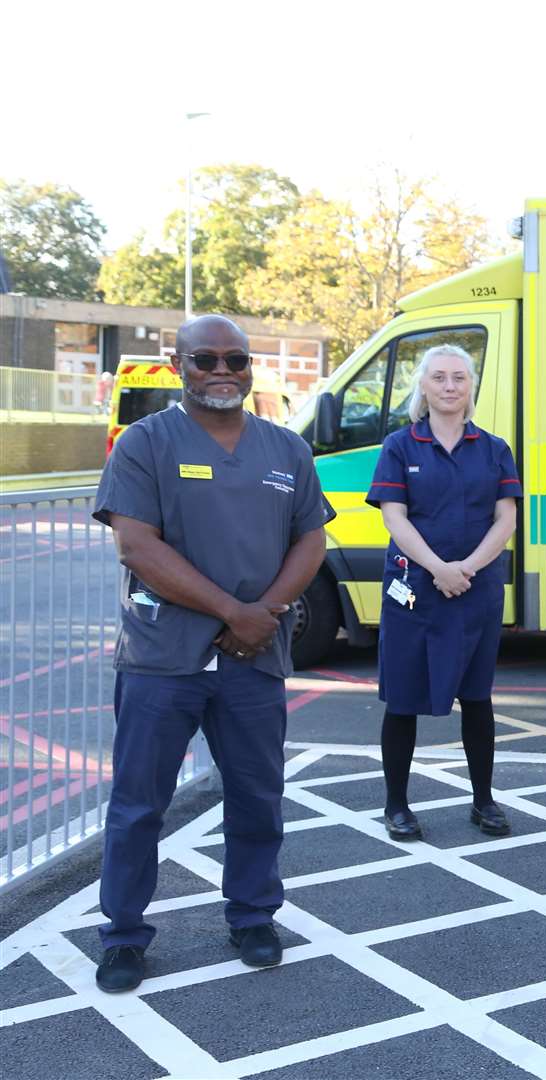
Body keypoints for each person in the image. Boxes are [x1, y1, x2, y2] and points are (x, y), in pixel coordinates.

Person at [91, 315, 333, 992]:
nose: (222, 370)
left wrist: (265, 617)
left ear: (250, 366)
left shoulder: (286, 450)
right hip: (163, 659)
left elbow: (310, 542)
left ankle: (254, 916)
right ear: (178, 365)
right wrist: (236, 613)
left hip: (251, 661)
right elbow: (137, 545)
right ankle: (123, 937)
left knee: (258, 796)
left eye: (235, 358)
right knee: (139, 805)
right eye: (205, 360)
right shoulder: (145, 443)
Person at [365, 345, 519, 841]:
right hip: (414, 588)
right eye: (439, 378)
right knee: (403, 697)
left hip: (475, 590)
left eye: (459, 378)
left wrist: (466, 569)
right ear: (423, 386)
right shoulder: (399, 446)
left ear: (470, 386)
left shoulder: (494, 449)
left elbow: (506, 519)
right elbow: (394, 517)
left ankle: (484, 801)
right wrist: (437, 569)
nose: (450, 386)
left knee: (477, 697)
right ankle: (396, 806)